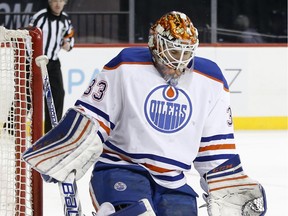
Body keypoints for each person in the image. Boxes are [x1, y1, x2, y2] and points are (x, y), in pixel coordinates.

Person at [23, 11, 267, 215]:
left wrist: (228, 183)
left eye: (186, 53)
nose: (179, 64)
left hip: (174, 182)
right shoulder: (126, 65)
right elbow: (93, 118)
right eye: (173, 52)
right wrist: (68, 148)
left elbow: (215, 148)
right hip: (120, 167)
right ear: (156, 45)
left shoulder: (211, 80)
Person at [28, 0, 75, 133]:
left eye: (61, 1)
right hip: (35, 61)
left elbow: (70, 36)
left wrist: (68, 44)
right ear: (49, 2)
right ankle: (13, 127)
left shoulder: (65, 20)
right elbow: (27, 35)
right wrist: (30, 57)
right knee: (27, 94)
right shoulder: (40, 17)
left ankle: (51, 131)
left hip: (53, 63)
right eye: (55, 0)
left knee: (58, 94)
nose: (58, 4)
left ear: (65, 2)